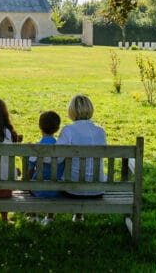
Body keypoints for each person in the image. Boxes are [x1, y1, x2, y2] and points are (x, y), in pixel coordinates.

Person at [57, 94, 107, 222]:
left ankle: (49, 216)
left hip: (73, 191)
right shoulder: (101, 131)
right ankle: (79, 215)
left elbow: (57, 159)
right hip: (98, 190)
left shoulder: (68, 130)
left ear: (71, 111)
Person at [26, 110, 62, 226]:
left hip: (38, 190)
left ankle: (33, 217)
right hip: (57, 190)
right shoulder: (62, 148)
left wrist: (26, 183)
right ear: (57, 129)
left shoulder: (36, 148)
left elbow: (30, 171)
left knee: (32, 183)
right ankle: (49, 217)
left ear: (40, 127)